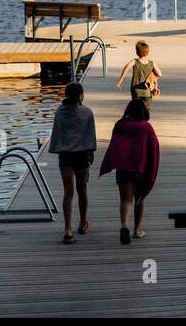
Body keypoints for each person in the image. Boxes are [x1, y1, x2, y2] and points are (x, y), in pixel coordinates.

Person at [98, 99, 160, 244]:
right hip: (141, 169)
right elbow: (154, 148)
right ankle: (137, 230)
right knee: (140, 198)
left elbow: (114, 145)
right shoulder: (146, 127)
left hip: (123, 168)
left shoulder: (120, 125)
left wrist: (111, 162)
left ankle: (124, 225)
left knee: (125, 200)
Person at [47, 82, 97, 243]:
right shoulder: (87, 112)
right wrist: (90, 153)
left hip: (65, 156)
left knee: (68, 192)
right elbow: (90, 137)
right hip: (81, 155)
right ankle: (83, 223)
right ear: (80, 96)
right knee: (82, 190)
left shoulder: (59, 112)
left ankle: (68, 229)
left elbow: (56, 134)